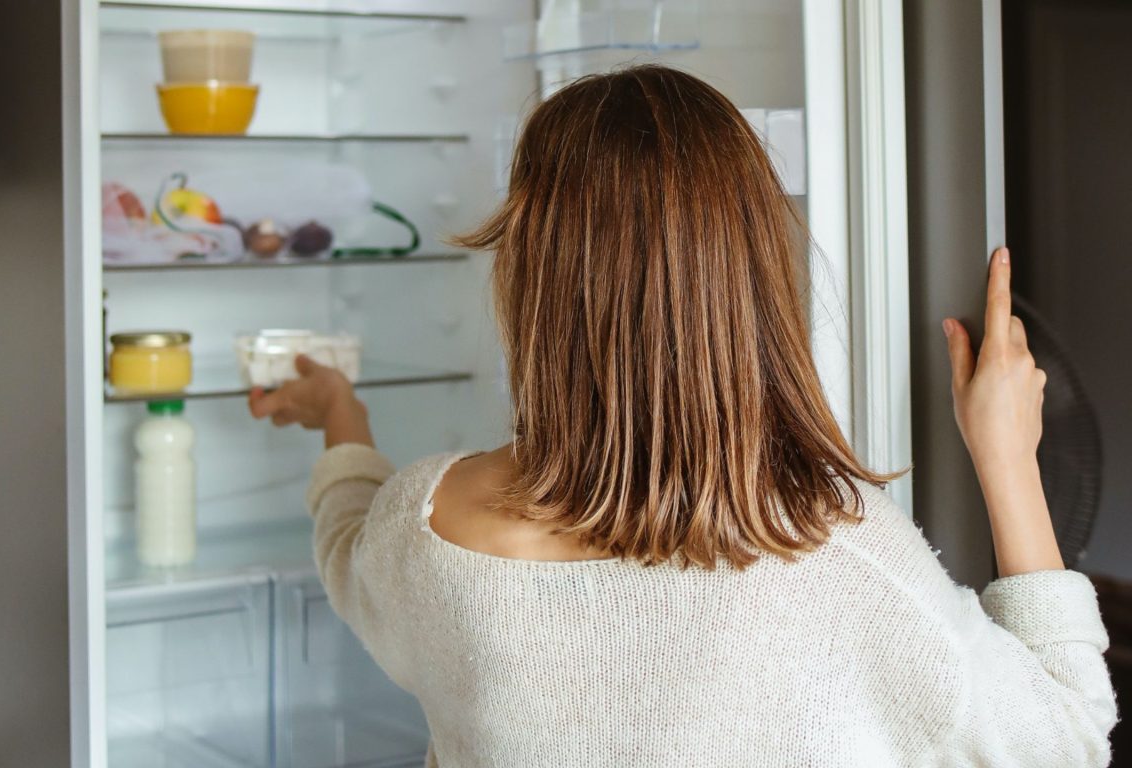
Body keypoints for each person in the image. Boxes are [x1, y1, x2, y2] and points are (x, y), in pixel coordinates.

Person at [247, 65, 1116, 766]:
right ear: (751, 280)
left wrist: (340, 414)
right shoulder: (845, 560)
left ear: (534, 281)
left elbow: (347, 544)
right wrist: (1008, 459)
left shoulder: (431, 525)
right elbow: (1064, 738)